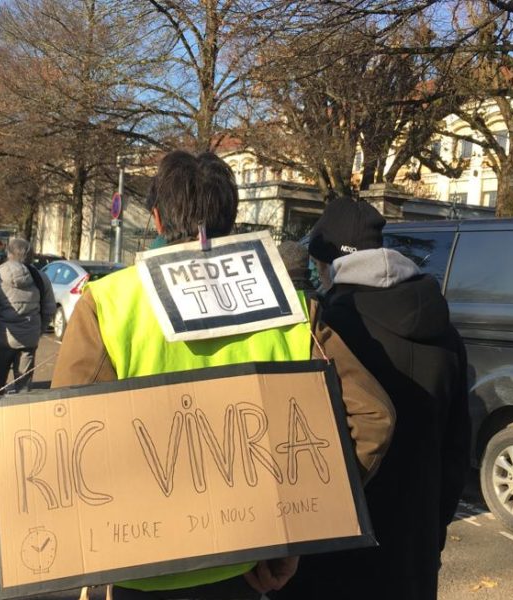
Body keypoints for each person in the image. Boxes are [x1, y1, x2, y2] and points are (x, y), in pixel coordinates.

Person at [52, 150, 395, 600]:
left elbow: (68, 436)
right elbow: (374, 417)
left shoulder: (108, 303)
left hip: (141, 566)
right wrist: (305, 520)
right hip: (246, 563)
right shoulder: (291, 307)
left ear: (156, 219)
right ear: (231, 221)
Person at [274, 199, 470, 600]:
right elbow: (457, 449)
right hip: (415, 547)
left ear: (328, 262)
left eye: (316, 263)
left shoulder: (329, 331)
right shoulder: (446, 331)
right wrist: (433, 533)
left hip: (336, 551)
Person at [0, 237, 55, 394]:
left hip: (4, 338)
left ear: (9, 253)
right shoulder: (40, 277)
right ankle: (22, 416)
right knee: (23, 387)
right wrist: (38, 330)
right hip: (29, 338)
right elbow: (49, 308)